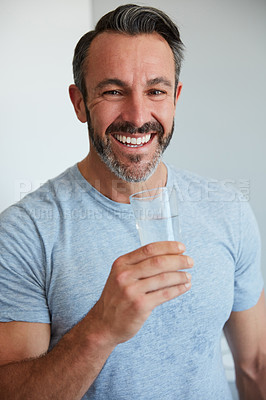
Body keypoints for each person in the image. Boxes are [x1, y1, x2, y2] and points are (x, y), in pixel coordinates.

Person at [0, 4, 265, 399]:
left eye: (155, 91)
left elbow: (255, 362)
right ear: (79, 103)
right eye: (113, 91)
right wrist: (101, 329)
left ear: (175, 98)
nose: (138, 115)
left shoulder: (227, 208)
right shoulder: (25, 232)